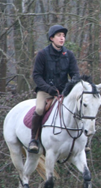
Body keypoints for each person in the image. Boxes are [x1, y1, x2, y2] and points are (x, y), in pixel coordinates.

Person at [28, 24, 80, 153]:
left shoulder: (69, 55)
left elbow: (75, 74)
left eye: (63, 36)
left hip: (63, 92)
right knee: (40, 109)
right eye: (59, 36)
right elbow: (36, 76)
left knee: (79, 107)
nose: (62, 38)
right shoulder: (42, 54)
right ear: (52, 38)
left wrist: (70, 86)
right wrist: (48, 88)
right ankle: (33, 139)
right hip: (45, 91)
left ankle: (82, 140)